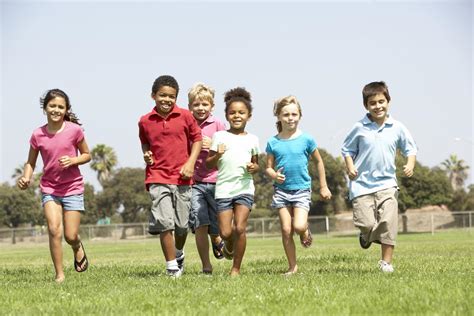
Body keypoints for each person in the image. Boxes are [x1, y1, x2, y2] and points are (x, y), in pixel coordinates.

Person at [341, 81, 417, 273]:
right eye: (372, 103)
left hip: (387, 184)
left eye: (381, 101)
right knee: (366, 223)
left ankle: (386, 262)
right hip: (361, 185)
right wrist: (350, 168)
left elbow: (410, 148)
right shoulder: (359, 127)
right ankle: (366, 236)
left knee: (388, 222)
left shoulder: (397, 127)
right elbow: (347, 150)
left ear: (388, 101)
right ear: (366, 105)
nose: (378, 106)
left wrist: (409, 163)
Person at [17, 89, 91, 283]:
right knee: (53, 229)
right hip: (49, 188)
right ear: (45, 108)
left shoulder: (74, 130)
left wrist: (74, 160)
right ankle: (59, 274)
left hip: (72, 187)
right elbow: (30, 163)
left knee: (70, 235)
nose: (56, 110)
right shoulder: (37, 134)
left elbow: (87, 154)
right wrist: (26, 178)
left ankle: (76, 246)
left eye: (60, 106)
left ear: (66, 109)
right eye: (52, 106)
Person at [138, 75, 202, 278]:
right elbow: (145, 142)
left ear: (176, 97)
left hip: (182, 178)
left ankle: (179, 252)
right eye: (162, 95)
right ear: (153, 95)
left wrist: (190, 163)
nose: (166, 99)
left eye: (171, 96)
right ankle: (171, 266)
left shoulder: (185, 116)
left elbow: (197, 139)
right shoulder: (145, 121)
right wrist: (146, 154)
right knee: (164, 222)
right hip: (157, 176)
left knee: (182, 226)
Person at [265, 95, 332, 276]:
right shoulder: (273, 142)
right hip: (281, 192)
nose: (290, 118)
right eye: (286, 114)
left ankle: (305, 232)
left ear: (300, 116)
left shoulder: (307, 140)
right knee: (286, 230)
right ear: (278, 116)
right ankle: (292, 267)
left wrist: (323, 186)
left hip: (301, 189)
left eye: (294, 114)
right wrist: (273, 174)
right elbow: (268, 168)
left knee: (299, 226)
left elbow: (319, 162)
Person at [206, 87, 260, 276]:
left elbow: (256, 164)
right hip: (223, 190)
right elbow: (209, 164)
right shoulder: (219, 136)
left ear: (249, 116)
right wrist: (217, 154)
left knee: (240, 228)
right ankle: (228, 246)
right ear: (227, 116)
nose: (237, 116)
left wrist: (254, 168)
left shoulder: (253, 139)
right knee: (227, 233)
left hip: (244, 188)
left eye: (241, 113)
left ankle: (235, 269)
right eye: (233, 112)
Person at [187, 82, 226, 274]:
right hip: (195, 183)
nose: (201, 108)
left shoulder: (218, 125)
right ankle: (206, 265)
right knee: (200, 222)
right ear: (190, 106)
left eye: (205, 105)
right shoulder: (187, 124)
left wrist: (214, 144)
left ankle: (217, 238)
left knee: (217, 224)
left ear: (212, 106)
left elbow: (228, 150)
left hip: (217, 180)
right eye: (196, 104)